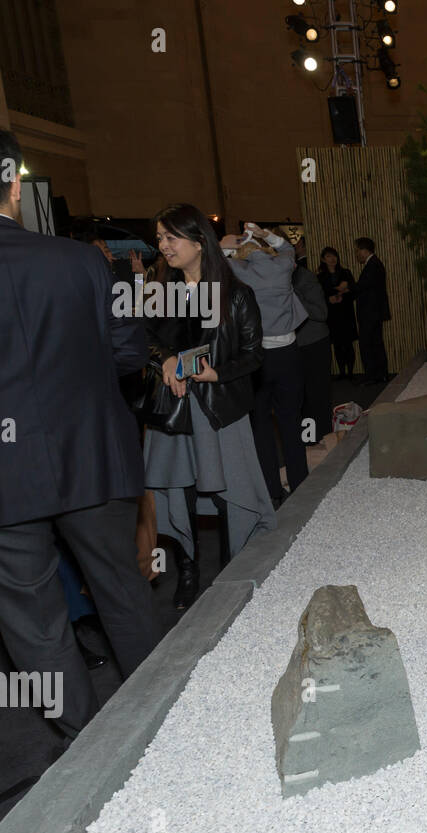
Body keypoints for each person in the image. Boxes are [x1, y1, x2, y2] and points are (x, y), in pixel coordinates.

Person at [0, 113, 159, 738]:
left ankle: (87, 752)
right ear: (13, 187)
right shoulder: (86, 262)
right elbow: (129, 356)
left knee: (36, 628)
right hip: (91, 456)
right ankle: (170, 720)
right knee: (123, 592)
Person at [144, 204, 275, 609]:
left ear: (199, 243)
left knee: (226, 493)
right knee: (178, 488)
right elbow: (139, 341)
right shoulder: (159, 293)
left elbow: (253, 355)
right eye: (161, 238)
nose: (164, 246)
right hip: (171, 410)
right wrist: (164, 359)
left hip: (216, 410)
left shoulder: (236, 295)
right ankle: (187, 570)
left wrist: (215, 374)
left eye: (172, 238)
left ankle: (231, 570)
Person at [223, 224, 310, 507]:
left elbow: (216, 259)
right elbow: (288, 248)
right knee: (290, 421)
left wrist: (229, 243)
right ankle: (301, 484)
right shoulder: (283, 266)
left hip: (257, 359)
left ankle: (272, 490)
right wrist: (263, 234)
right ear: (265, 251)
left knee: (261, 426)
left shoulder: (240, 272)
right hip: (289, 354)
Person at [291, 239, 333, 442]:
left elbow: (321, 313)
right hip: (294, 347)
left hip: (314, 345)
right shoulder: (279, 281)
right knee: (301, 399)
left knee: (317, 397)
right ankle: (309, 440)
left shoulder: (304, 279)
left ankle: (322, 440)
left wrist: (294, 295)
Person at [353, 236, 390, 384]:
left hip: (370, 313)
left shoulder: (373, 265)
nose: (356, 254)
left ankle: (371, 376)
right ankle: (380, 374)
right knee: (376, 344)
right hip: (375, 313)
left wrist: (347, 287)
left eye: (357, 251)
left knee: (368, 345)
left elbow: (363, 286)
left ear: (364, 250)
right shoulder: (375, 264)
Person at [318, 246, 357, 379]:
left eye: (334, 255)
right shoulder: (320, 277)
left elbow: (354, 291)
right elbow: (318, 296)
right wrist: (329, 299)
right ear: (323, 259)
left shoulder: (346, 272)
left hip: (346, 313)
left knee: (348, 344)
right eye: (328, 256)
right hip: (332, 315)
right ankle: (342, 373)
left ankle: (351, 372)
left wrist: (343, 295)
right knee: (337, 345)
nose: (332, 259)